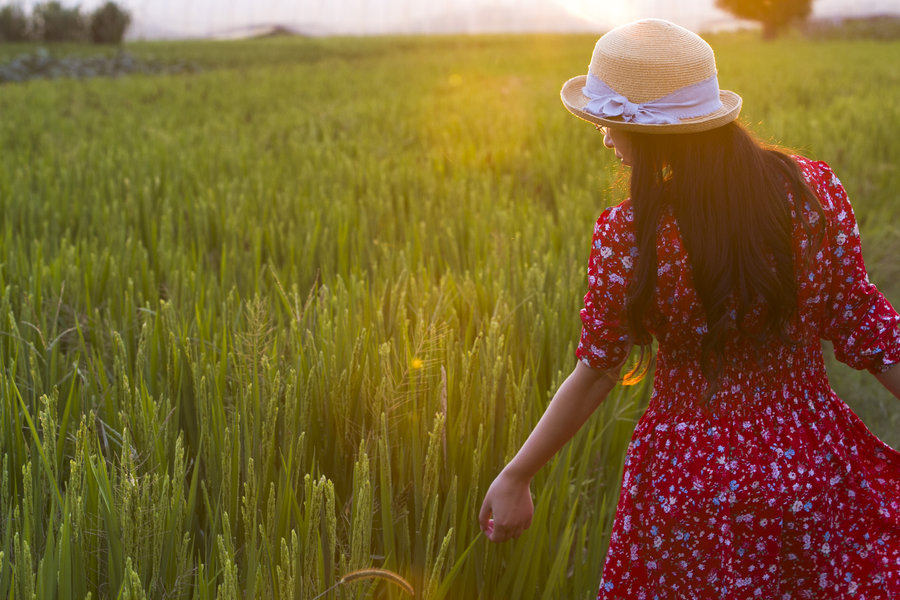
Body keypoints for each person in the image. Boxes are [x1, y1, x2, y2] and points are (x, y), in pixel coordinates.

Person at [478, 18, 900, 599]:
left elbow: (599, 368)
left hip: (686, 482)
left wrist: (517, 473)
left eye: (611, 123)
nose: (603, 138)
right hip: (808, 464)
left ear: (653, 136)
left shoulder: (630, 236)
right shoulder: (812, 195)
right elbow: (864, 322)